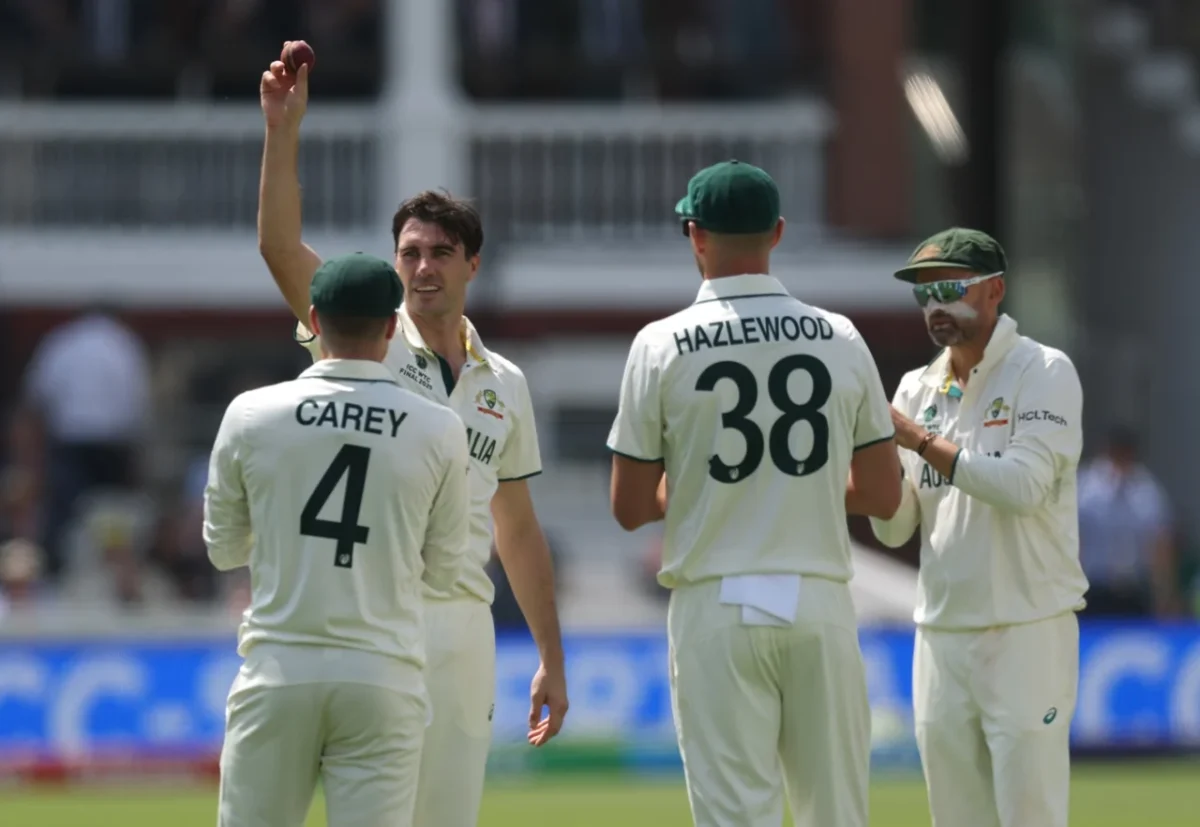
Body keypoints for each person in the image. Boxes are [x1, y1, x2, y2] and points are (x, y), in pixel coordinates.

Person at [256, 55, 568, 827]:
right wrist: (282, 131)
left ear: (472, 264)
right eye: (408, 254)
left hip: (464, 623)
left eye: (438, 253)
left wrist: (552, 659)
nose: (421, 269)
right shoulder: (366, 344)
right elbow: (280, 249)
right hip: (374, 614)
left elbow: (518, 529)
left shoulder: (507, 383)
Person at [607, 159, 903, 827]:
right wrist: (801, 488)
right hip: (821, 599)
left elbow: (628, 508)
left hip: (715, 602)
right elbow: (885, 497)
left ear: (695, 234)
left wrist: (708, 494)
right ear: (778, 232)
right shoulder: (841, 335)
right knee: (837, 813)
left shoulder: (659, 344)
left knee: (736, 816)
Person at [205, 253, 470, 827]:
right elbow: (446, 570)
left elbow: (223, 548)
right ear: (393, 326)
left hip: (279, 666)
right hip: (383, 674)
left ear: (315, 320)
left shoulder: (250, 413)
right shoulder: (438, 426)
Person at [870, 228, 1088, 827]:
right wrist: (865, 466)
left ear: (995, 290)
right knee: (956, 818)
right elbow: (896, 530)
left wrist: (914, 438)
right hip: (940, 633)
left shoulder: (1042, 371)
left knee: (1029, 816)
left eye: (949, 288)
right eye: (923, 294)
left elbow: (1022, 487)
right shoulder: (917, 386)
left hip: (1027, 626)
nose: (935, 307)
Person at [1078, 425, 1180, 617]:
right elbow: (1073, 538)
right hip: (1093, 587)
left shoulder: (1147, 490)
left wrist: (1164, 593)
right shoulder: (1085, 487)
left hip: (1134, 588)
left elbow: (1160, 545)